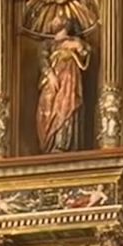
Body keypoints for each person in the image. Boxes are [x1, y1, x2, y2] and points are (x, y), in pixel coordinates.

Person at [34, 11, 92, 152]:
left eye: (59, 21)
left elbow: (85, 52)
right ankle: (49, 142)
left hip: (69, 76)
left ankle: (64, 142)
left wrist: (77, 46)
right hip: (53, 78)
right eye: (54, 21)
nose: (55, 22)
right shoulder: (47, 44)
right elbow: (42, 59)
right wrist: (50, 75)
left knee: (68, 104)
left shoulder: (75, 41)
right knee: (47, 106)